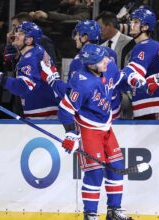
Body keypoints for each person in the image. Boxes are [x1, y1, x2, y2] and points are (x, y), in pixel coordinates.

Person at [41, 43, 137, 220]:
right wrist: (71, 133)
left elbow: (119, 79)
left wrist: (132, 80)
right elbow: (65, 110)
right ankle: (90, 214)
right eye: (101, 60)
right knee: (95, 172)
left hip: (106, 127)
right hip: (88, 130)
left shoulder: (109, 66)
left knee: (116, 167)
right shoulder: (82, 82)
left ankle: (114, 211)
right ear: (91, 64)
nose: (107, 60)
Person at [0, 21, 59, 119]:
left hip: (43, 113)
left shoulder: (30, 58)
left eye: (21, 33)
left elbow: (23, 87)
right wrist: (17, 57)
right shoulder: (37, 50)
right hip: (48, 108)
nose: (16, 34)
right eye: (17, 32)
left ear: (29, 40)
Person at [121, 7, 159, 119]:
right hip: (153, 100)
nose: (131, 24)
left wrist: (114, 79)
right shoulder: (148, 44)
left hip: (154, 102)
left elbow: (133, 71)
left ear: (145, 27)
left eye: (136, 22)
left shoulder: (146, 45)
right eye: (131, 21)